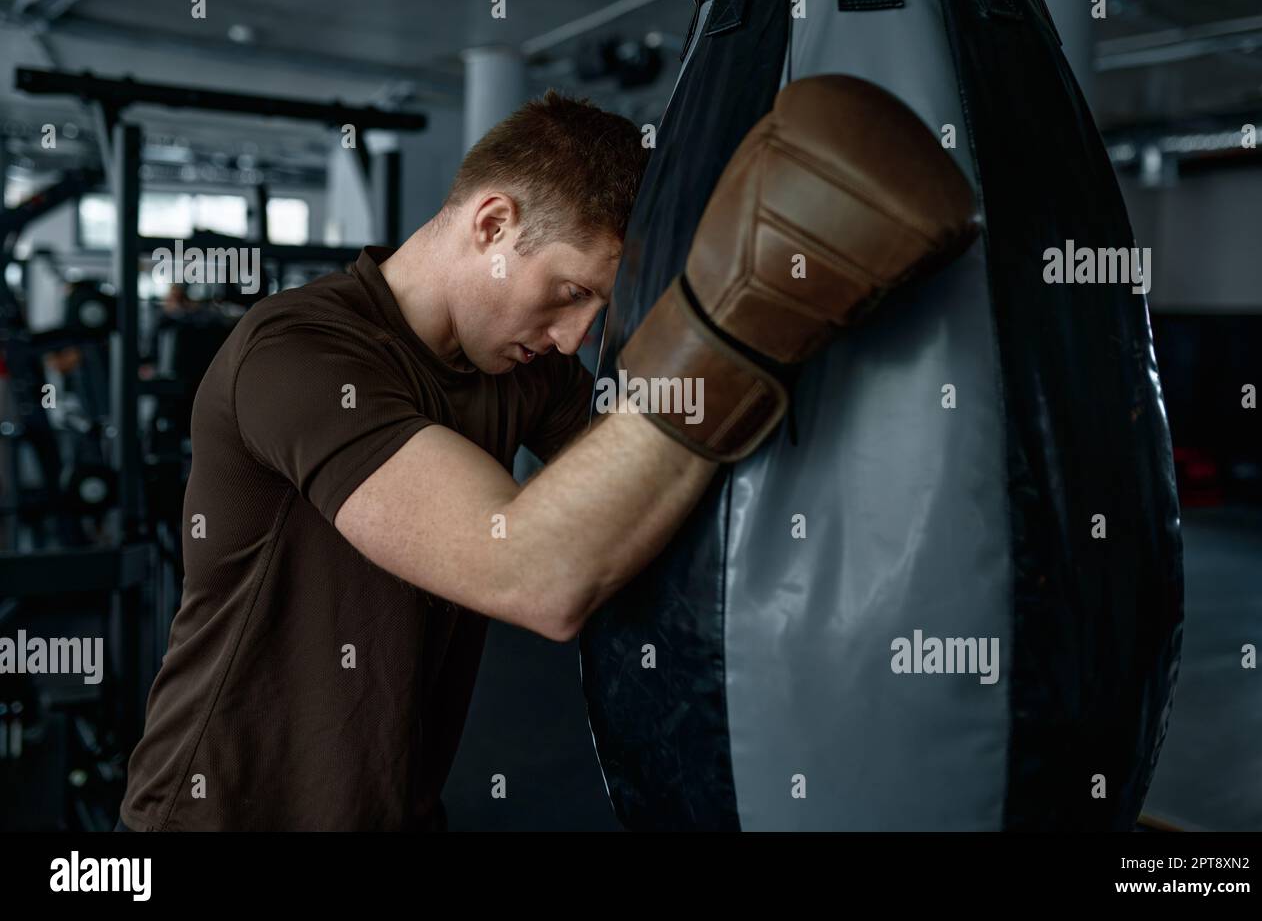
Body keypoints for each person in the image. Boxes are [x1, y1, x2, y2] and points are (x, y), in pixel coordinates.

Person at [117, 77, 974, 831]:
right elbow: (533, 571)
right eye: (569, 294)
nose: (575, 338)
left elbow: (646, 496)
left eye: (596, 311)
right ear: (494, 224)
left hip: (397, 807)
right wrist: (734, 327)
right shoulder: (299, 356)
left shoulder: (521, 365)